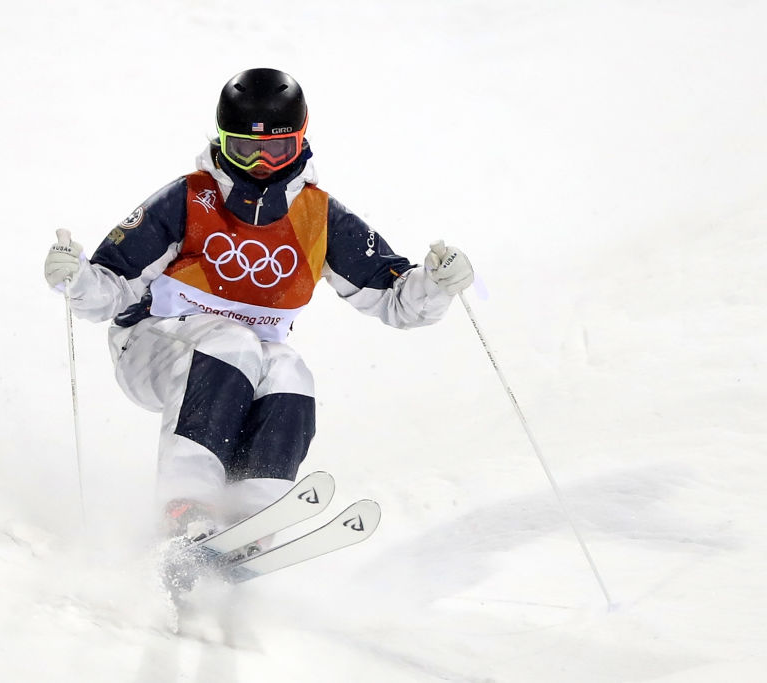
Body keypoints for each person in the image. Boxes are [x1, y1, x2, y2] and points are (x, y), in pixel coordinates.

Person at [44, 67, 473, 544]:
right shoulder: (189, 199)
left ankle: (252, 516)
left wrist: (436, 284)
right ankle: (185, 503)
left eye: (277, 149)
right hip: (152, 347)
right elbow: (107, 286)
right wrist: (76, 278)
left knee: (289, 368)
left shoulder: (318, 216)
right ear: (222, 141)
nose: (261, 165)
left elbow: (398, 300)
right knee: (233, 341)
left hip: (242, 367)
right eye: (244, 149)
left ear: (300, 140)